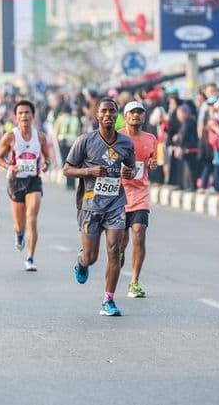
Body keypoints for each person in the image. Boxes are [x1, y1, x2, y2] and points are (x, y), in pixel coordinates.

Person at [63, 98, 136, 317]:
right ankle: (81, 261)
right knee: (92, 257)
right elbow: (67, 169)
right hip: (90, 205)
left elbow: (131, 167)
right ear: (97, 115)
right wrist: (89, 172)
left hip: (115, 204)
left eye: (112, 112)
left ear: (117, 115)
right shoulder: (85, 141)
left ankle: (108, 300)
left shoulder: (125, 143)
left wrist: (129, 173)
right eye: (104, 111)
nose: (108, 115)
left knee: (115, 250)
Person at [0, 100, 50, 271]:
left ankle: (30, 258)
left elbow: (47, 158)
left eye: (27, 113)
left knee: (31, 218)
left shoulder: (40, 137)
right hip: (16, 181)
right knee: (19, 224)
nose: (24, 116)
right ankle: (19, 235)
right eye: (20, 113)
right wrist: (8, 167)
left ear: (33, 116)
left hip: (34, 180)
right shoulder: (10, 136)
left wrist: (46, 165)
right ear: (16, 117)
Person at [118, 101, 157, 298]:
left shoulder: (151, 138)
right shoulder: (117, 137)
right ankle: (121, 253)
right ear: (125, 117)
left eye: (140, 113)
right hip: (119, 195)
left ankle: (134, 281)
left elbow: (151, 161)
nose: (136, 116)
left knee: (139, 233)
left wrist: (152, 163)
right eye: (132, 113)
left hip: (140, 194)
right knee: (122, 240)